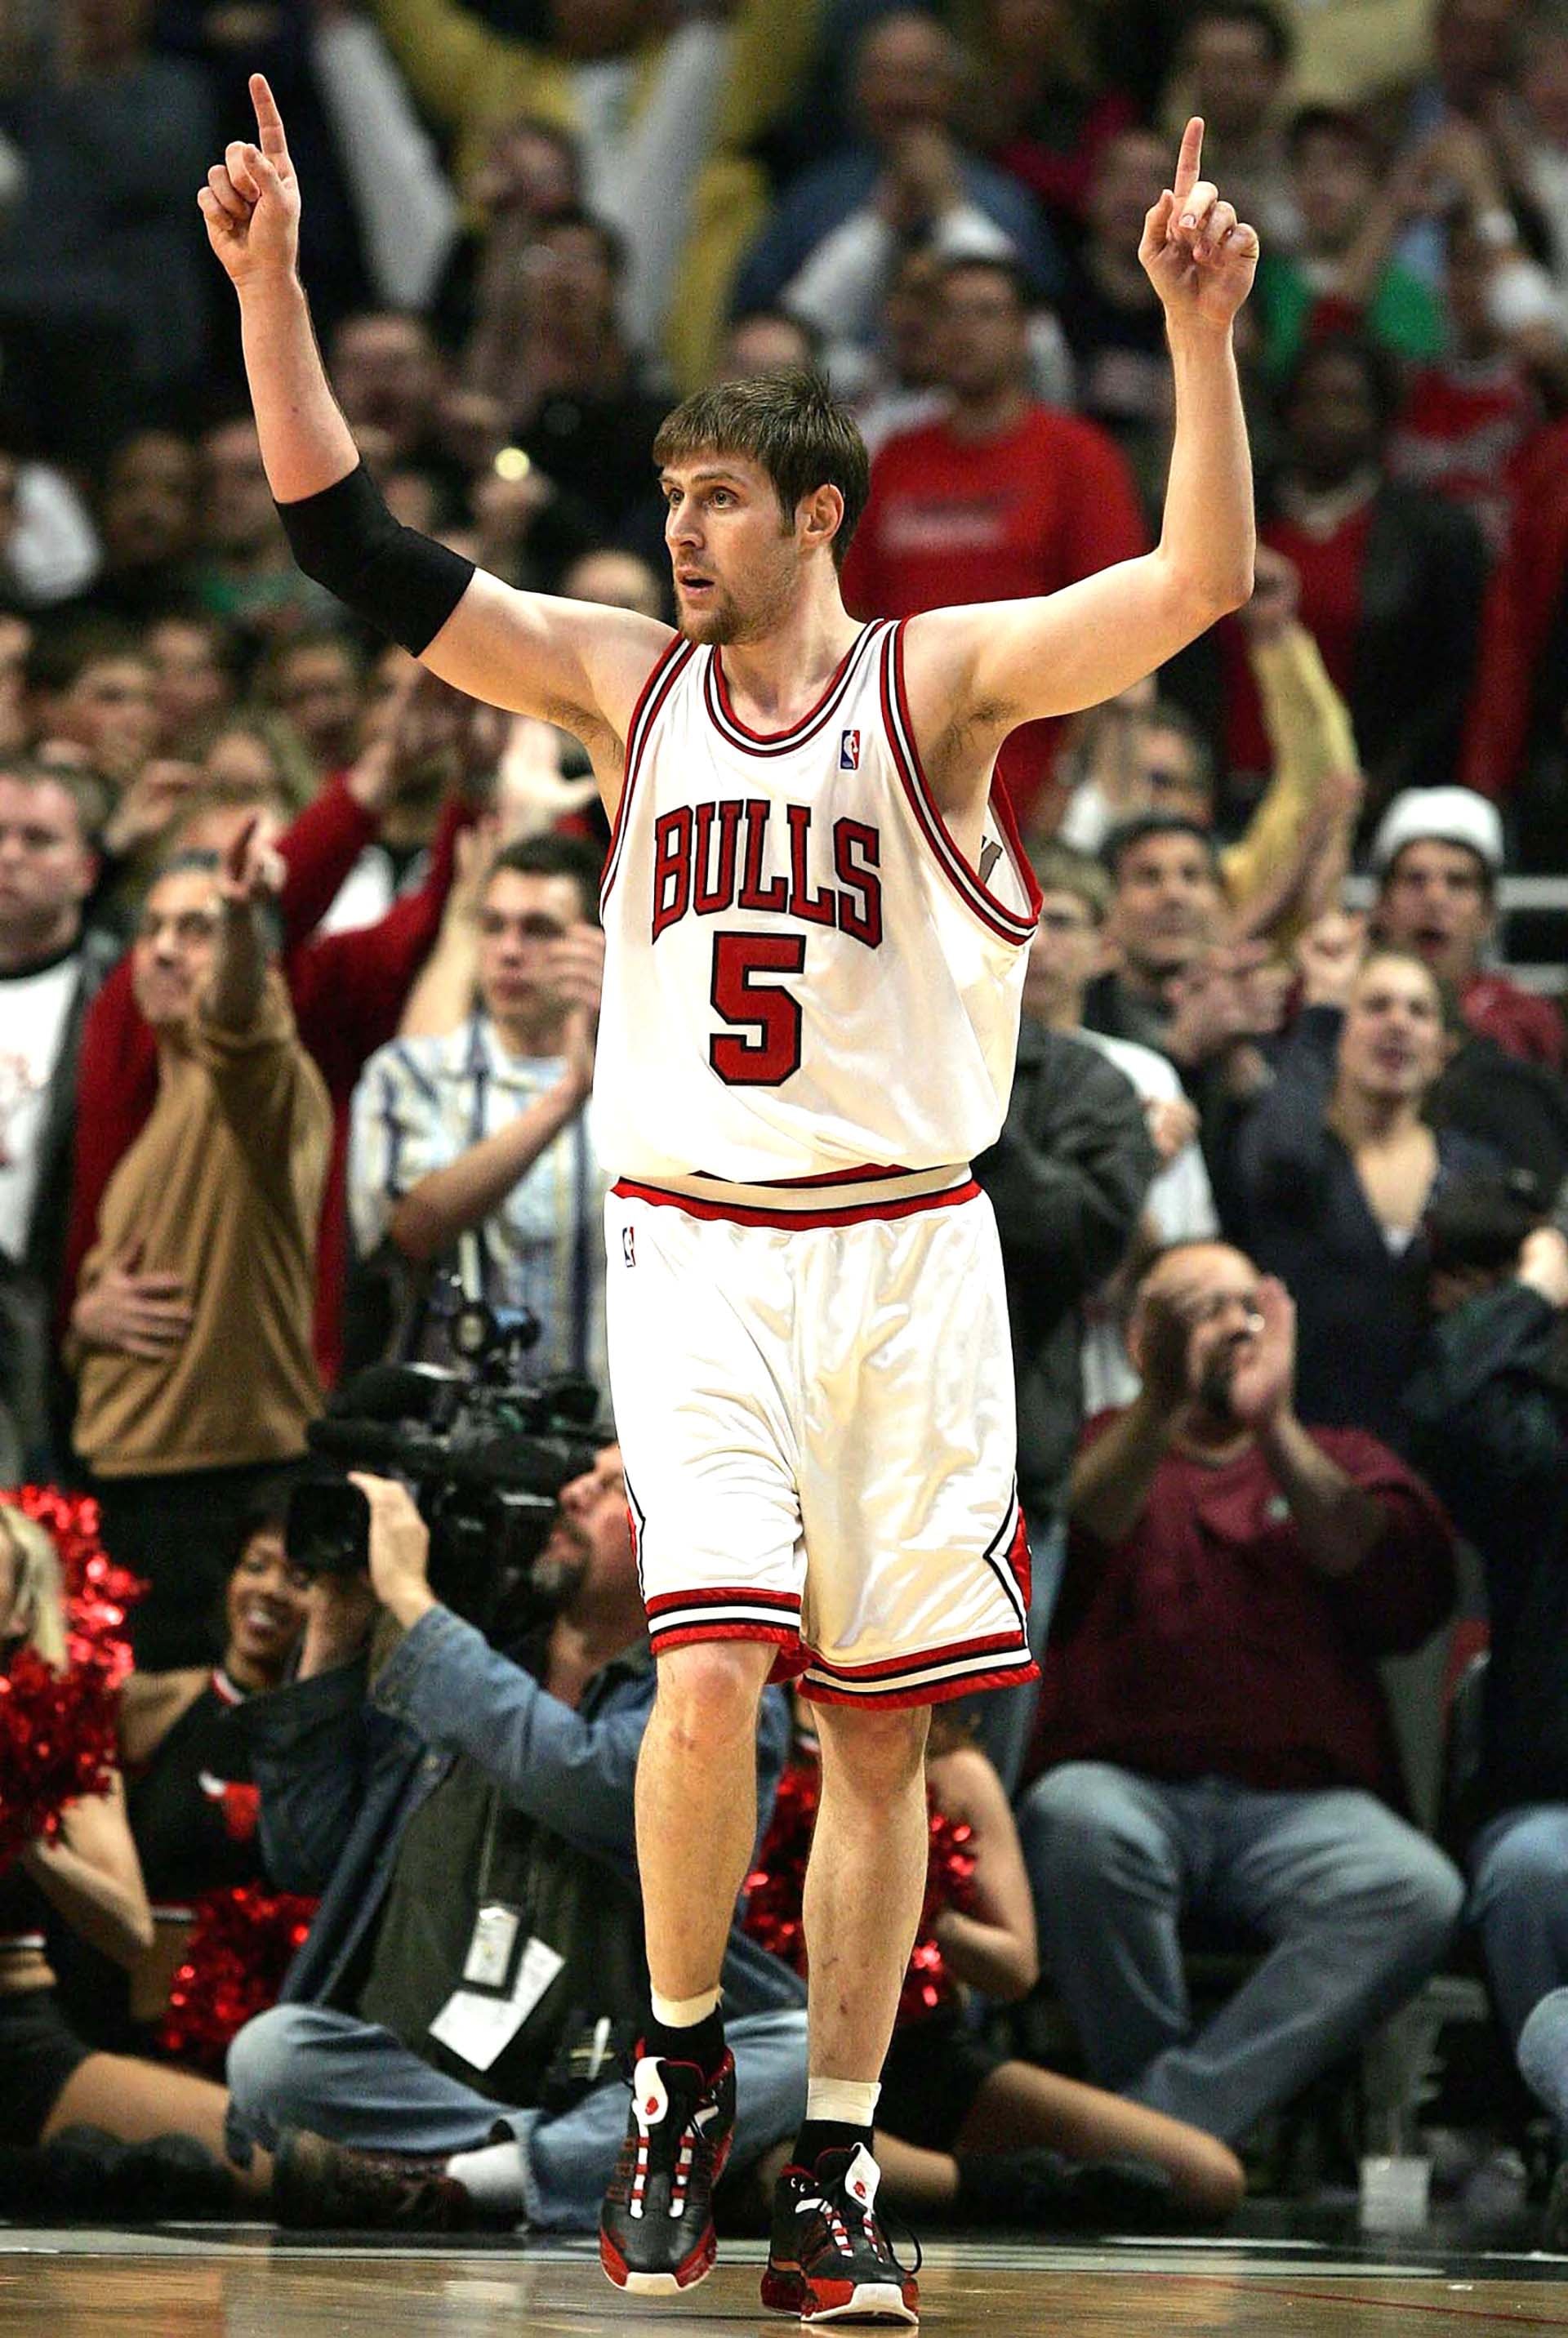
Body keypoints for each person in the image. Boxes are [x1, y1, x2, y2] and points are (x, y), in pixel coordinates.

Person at [200, 78, 1258, 2321]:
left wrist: (1194, 339)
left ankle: (842, 2161)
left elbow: (1192, 584)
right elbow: (351, 549)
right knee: (705, 1673)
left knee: (885, 1733)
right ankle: (685, 2064)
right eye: (664, 494)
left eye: (712, 499)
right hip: (701, 1243)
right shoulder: (620, 682)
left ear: (817, 511)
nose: (675, 531)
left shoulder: (938, 681)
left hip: (910, 1249)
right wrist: (275, 291)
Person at [223, 1449, 809, 2238]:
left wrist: (409, 1597)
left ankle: (473, 2177)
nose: (570, 1491)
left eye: (609, 1486)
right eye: (580, 1475)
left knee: (804, 2050)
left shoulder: (723, 1689)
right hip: (432, 2075)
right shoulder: (479, 1652)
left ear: (681, 1536)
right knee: (272, 2055)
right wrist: (337, 1620)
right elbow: (303, 1853)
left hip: (623, 2074)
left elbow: (594, 1784)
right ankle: (600, 2166)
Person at [1018, 1240, 1463, 2148]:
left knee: (1415, 1888)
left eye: (1242, 1307)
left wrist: (1276, 1428)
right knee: (1074, 1822)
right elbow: (1075, 1532)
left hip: (1304, 1808)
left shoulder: (1336, 1453)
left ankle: (1156, 2130)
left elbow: (1397, 1582)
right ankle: (1174, 2137)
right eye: (1194, 1310)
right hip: (1126, 1787)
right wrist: (1162, 1405)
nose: (1224, 1327)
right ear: (1142, 1340)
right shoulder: (1103, 1442)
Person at [67, 822, 333, 1668]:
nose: (165, 951)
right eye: (151, 930)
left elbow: (244, 1027)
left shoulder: (259, 1087)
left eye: (197, 929)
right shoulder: (162, 1107)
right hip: (129, 1493)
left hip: (215, 1501)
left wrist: (250, 919)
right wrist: (86, 1319)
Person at [840, 252, 1147, 831]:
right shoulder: (894, 461)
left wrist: (1065, 783)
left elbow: (1117, 629)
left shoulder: (1079, 457)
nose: (965, 332)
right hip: (901, 779)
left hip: (1033, 779)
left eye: (986, 312)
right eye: (949, 314)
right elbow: (850, 623)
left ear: (1025, 331)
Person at [1222, 918, 1496, 1450]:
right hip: (1298, 1451)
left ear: (1444, 1049)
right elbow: (1277, 1161)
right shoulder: (1291, 1147)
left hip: (1439, 1468)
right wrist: (1322, 1007)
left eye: (1418, 1011)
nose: (1397, 1023)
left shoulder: (1475, 1172)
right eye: (1374, 1006)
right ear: (1339, 1034)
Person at [348, 834, 609, 1381]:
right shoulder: (410, 1075)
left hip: (603, 1443)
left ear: (596, 945)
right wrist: (566, 1097)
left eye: (539, 929)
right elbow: (413, 1230)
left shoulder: (646, 1087)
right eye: (493, 926)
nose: (510, 950)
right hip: (443, 1445)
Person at [0, 759, 117, 1478]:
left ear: (85, 869)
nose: (9, 855)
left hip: (55, 1336)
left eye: (37, 839)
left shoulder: (122, 999)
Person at [1370, 786, 1566, 1069]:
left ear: (1488, 914)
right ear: (1382, 906)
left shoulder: (1528, 1022)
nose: (1435, 899)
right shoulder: (1344, 1012)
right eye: (1415, 879)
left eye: (1458, 882)